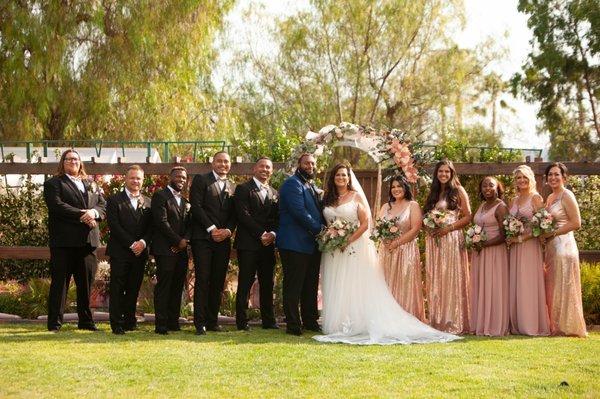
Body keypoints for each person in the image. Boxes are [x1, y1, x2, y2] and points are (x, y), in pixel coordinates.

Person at [313, 163, 460, 345]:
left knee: (353, 283)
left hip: (354, 247)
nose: (341, 178)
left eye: (344, 175)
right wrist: (332, 236)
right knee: (336, 283)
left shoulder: (357, 196)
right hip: (334, 249)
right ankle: (337, 323)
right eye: (338, 175)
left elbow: (366, 223)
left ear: (349, 178)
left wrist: (347, 240)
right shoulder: (326, 198)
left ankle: (355, 322)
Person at [43, 149, 106, 332]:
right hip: (64, 243)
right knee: (60, 284)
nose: (73, 161)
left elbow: (102, 204)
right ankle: (55, 323)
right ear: (63, 162)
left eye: (76, 159)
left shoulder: (91, 183)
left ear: (81, 163)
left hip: (88, 243)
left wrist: (93, 213)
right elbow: (57, 206)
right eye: (69, 159)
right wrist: (82, 215)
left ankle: (86, 322)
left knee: (86, 285)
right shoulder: (54, 183)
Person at [189, 151, 237, 335]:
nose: (223, 164)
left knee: (218, 280)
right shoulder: (201, 180)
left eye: (226, 162)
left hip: (223, 240)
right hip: (203, 238)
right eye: (219, 161)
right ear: (213, 163)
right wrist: (211, 228)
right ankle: (199, 323)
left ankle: (212, 321)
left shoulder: (232, 186)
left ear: (230, 165)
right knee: (203, 279)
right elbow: (196, 206)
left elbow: (234, 214)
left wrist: (227, 230)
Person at [277, 153, 323, 336]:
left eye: (312, 163)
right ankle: (293, 324)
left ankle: (310, 321)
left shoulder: (310, 185)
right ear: (299, 164)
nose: (310, 166)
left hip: (311, 244)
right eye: (306, 163)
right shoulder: (292, 184)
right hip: (294, 243)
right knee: (293, 286)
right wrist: (320, 229)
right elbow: (299, 212)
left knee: (310, 285)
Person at [423, 159, 472, 334]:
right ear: (436, 174)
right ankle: (438, 320)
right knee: (437, 278)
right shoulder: (434, 193)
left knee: (451, 277)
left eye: (447, 172)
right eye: (440, 171)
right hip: (434, 242)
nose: (443, 174)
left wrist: (448, 228)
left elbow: (467, 216)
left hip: (451, 239)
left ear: (452, 174)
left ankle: (453, 321)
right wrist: (429, 225)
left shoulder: (458, 190)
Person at [541, 162, 587, 337]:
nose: (553, 177)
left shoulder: (567, 195)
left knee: (564, 285)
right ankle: (555, 325)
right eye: (550, 175)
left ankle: (568, 326)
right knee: (554, 286)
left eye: (556, 174)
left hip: (564, 246)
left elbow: (576, 222)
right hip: (552, 247)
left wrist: (552, 233)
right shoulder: (551, 197)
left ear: (564, 177)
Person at [105, 165, 152, 335]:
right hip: (120, 251)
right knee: (117, 288)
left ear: (143, 180)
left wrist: (143, 242)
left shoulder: (148, 202)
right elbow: (114, 225)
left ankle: (130, 321)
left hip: (140, 252)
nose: (135, 181)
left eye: (138, 178)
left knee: (134, 287)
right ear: (126, 179)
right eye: (132, 178)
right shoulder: (114, 200)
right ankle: (116, 323)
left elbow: (152, 227)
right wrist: (132, 244)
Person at [233, 157, 279, 331]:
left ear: (272, 171)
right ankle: (242, 321)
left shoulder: (275, 193)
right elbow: (243, 215)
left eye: (268, 167)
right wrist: (261, 234)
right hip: (248, 244)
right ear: (254, 169)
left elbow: (277, 218)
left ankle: (268, 320)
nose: (265, 169)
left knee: (268, 283)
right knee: (245, 282)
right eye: (262, 166)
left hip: (268, 245)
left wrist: (273, 234)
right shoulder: (243, 189)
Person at [506, 165, 550, 336]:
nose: (522, 180)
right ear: (515, 181)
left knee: (528, 282)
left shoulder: (536, 198)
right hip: (516, 248)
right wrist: (512, 233)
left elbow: (542, 226)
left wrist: (522, 237)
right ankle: (518, 324)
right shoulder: (514, 200)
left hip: (530, 246)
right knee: (517, 282)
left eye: (525, 177)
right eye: (518, 178)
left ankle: (531, 324)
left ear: (530, 178)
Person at [377, 176, 425, 322]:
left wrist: (396, 243)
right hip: (386, 252)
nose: (396, 189)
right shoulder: (386, 206)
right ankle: (387, 319)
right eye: (393, 187)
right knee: (386, 284)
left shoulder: (413, 205)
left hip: (406, 251)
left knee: (405, 285)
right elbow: (378, 227)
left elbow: (416, 229)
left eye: (399, 186)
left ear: (405, 188)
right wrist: (385, 241)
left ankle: (406, 318)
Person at [151, 166, 191, 335]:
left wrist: (185, 241)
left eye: (184, 178)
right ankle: (161, 324)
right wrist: (177, 241)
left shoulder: (185, 201)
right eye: (178, 177)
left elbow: (190, 223)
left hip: (181, 251)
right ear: (170, 177)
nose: (181, 180)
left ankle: (173, 322)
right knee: (164, 286)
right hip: (165, 249)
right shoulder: (160, 196)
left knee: (177, 287)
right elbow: (161, 222)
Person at [469, 177, 509, 336]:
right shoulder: (482, 205)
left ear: (498, 187)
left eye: (491, 185)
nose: (487, 188)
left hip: (494, 252)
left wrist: (483, 245)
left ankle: (494, 325)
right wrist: (472, 239)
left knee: (493, 286)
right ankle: (481, 323)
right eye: (484, 185)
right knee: (482, 286)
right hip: (480, 252)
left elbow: (504, 236)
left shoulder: (501, 207)